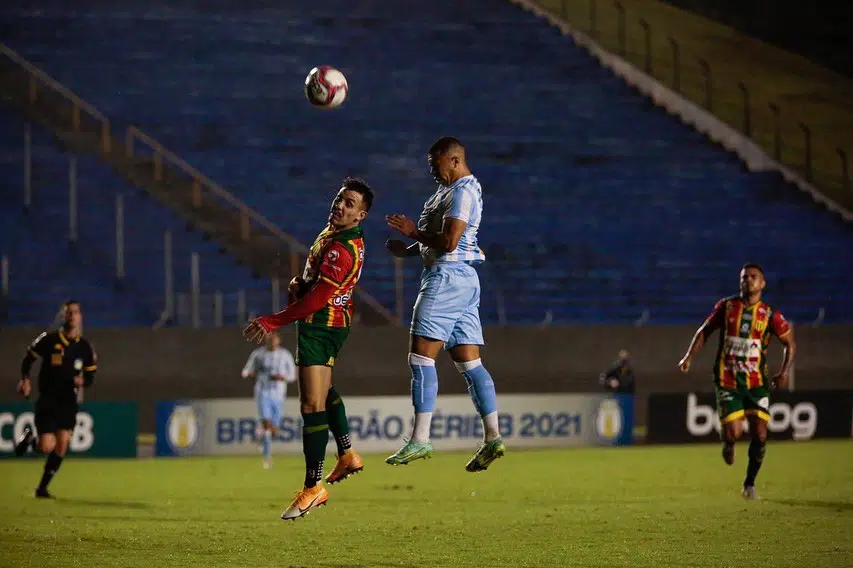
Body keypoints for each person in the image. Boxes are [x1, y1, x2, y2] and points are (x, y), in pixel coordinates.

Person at [243, 177, 372, 521]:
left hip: (321, 326)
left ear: (361, 215)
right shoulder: (333, 233)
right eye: (340, 199)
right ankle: (346, 455)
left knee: (310, 404)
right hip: (329, 322)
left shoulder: (341, 248)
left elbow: (318, 298)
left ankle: (313, 488)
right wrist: (301, 284)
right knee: (323, 393)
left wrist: (274, 320)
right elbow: (315, 286)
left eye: (350, 204)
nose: (340, 206)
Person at [384, 136, 505, 472]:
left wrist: (413, 233)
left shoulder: (463, 190)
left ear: (453, 160)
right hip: (463, 280)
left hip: (446, 278)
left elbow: (450, 243)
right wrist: (409, 250)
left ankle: (421, 437)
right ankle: (493, 436)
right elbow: (447, 240)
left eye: (435, 163)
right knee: (470, 364)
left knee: (421, 356)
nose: (431, 170)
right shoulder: (448, 191)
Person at [678, 263, 796, 500]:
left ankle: (749, 484)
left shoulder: (771, 315)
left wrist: (784, 372)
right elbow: (705, 331)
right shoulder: (727, 307)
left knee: (760, 434)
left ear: (762, 283)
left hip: (757, 382)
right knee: (734, 432)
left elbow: (790, 344)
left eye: (753, 277)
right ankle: (729, 443)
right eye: (744, 277)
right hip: (728, 379)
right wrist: (689, 356)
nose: (748, 280)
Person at [14, 300, 98, 498]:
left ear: (80, 317)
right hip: (49, 399)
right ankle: (31, 440)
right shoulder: (49, 340)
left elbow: (90, 377)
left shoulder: (85, 348)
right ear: (63, 316)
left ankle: (42, 488)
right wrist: (25, 379)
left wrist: (83, 380)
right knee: (46, 446)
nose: (72, 316)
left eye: (75, 312)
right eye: (69, 312)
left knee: (62, 445)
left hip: (69, 402)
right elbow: (29, 358)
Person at [241, 331, 296, 469]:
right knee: (266, 423)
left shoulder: (285, 355)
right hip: (262, 391)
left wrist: (283, 377)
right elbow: (247, 369)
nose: (271, 342)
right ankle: (267, 457)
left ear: (279, 340)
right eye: (269, 339)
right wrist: (248, 373)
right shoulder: (258, 354)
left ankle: (260, 436)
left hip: (278, 394)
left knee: (274, 429)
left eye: (274, 339)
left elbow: (292, 375)